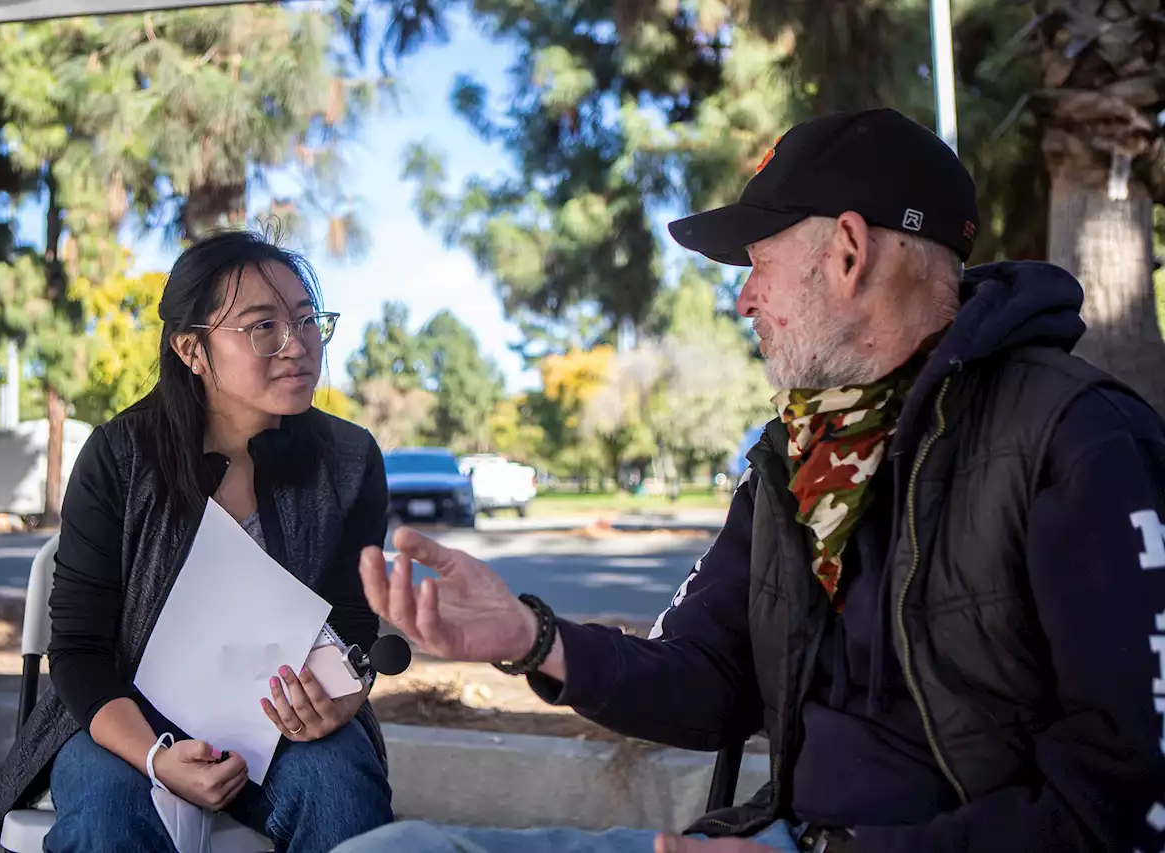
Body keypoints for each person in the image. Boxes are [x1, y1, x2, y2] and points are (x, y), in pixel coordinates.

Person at [335, 108, 1165, 853]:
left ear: (848, 251)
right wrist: (532, 638)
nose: (744, 299)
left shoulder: (1077, 438)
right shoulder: (795, 455)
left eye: (759, 262)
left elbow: (1124, 798)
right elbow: (708, 682)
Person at [0, 231, 394, 853]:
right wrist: (155, 757)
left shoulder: (349, 459)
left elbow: (352, 621)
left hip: (281, 726)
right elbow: (80, 651)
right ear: (192, 349)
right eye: (262, 327)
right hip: (119, 721)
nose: (298, 345)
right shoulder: (119, 456)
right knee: (106, 820)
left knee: (340, 791)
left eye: (308, 320)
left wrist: (340, 694)